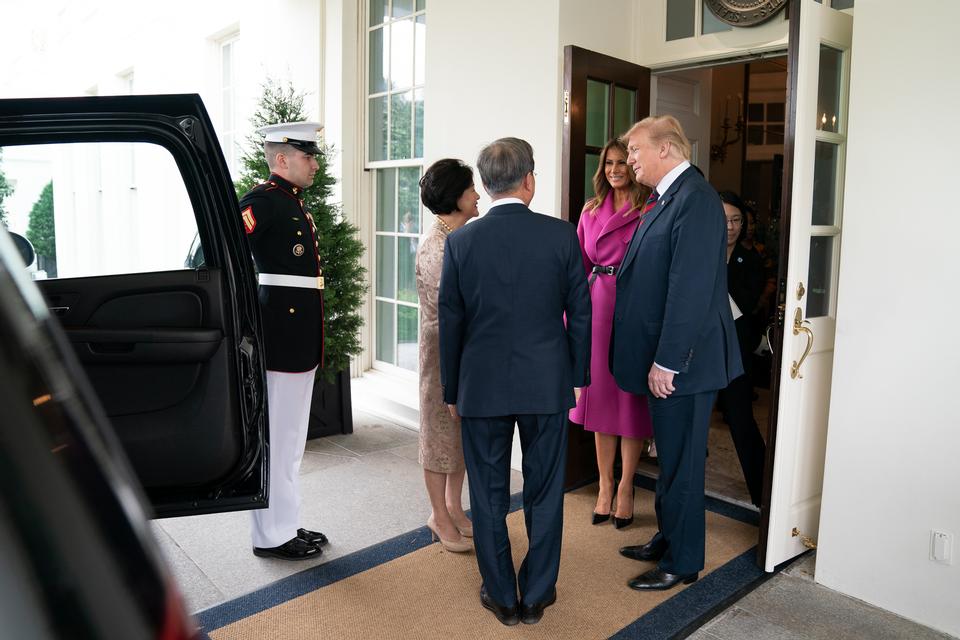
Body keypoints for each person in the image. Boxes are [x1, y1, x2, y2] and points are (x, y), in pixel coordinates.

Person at [438, 138, 591, 626]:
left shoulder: (460, 241)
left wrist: (451, 391)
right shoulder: (562, 235)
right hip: (546, 383)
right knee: (545, 490)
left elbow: (452, 322)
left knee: (486, 493)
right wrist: (578, 376)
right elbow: (581, 315)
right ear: (529, 180)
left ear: (484, 185)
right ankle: (538, 594)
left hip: (480, 387)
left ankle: (502, 596)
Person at [611, 116, 742, 591]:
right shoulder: (667, 197)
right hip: (668, 358)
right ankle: (668, 537)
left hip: (686, 363)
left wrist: (668, 360)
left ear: (665, 148)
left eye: (636, 151)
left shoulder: (697, 200)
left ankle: (683, 561)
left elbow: (688, 290)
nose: (630, 159)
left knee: (683, 464)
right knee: (669, 457)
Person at [240, 121, 329, 561]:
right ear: (281, 158)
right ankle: (270, 535)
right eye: (307, 155)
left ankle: (286, 521)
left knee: (292, 438)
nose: (314, 163)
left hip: (297, 337)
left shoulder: (290, 202)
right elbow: (225, 252)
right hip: (279, 336)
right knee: (277, 436)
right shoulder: (263, 202)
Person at [568, 139, 653, 529]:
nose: (615, 169)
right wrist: (572, 316)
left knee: (629, 402)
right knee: (602, 400)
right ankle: (604, 484)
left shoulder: (649, 208)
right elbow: (580, 265)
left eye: (622, 162)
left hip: (633, 307)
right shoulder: (590, 210)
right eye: (608, 163)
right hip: (597, 307)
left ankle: (627, 486)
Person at [415, 159, 480, 553]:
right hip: (442, 353)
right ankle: (437, 514)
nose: (478, 195)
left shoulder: (460, 239)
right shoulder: (437, 248)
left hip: (465, 350)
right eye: (471, 189)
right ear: (456, 197)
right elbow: (455, 309)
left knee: (460, 435)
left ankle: (455, 506)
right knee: (440, 432)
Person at [717, 191, 767, 507]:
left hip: (736, 345)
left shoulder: (750, 261)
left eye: (736, 220)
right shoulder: (699, 253)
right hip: (702, 348)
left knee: (740, 418)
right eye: (725, 220)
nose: (732, 227)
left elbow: (746, 304)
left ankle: (763, 496)